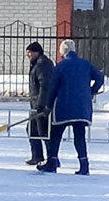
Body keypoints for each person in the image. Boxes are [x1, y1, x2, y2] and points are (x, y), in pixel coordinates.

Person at [37, 39, 104, 175]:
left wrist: (48, 106)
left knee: (55, 134)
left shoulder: (61, 66)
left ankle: (52, 161)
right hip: (82, 108)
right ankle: (84, 164)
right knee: (79, 136)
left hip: (64, 107)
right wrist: (91, 92)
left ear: (63, 51)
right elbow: (100, 77)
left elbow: (53, 88)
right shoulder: (85, 64)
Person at [25, 42, 55, 166]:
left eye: (30, 52)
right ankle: (37, 156)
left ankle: (51, 158)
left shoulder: (42, 65)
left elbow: (45, 86)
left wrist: (41, 105)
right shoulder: (37, 64)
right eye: (27, 53)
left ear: (37, 52)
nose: (28, 55)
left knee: (44, 132)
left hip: (40, 105)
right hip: (36, 104)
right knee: (32, 129)